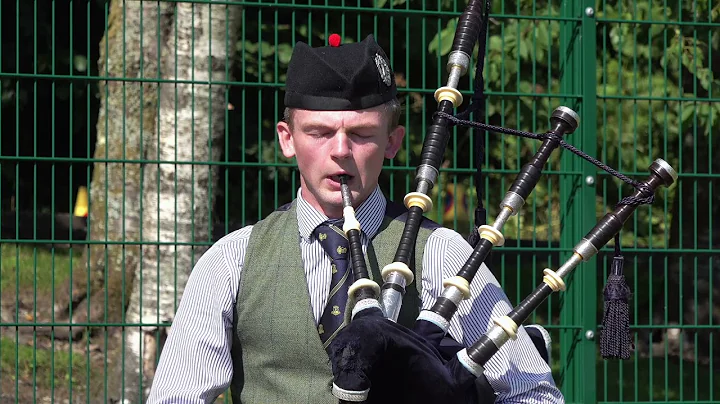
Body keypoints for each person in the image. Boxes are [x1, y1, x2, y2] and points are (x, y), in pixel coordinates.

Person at [146, 34, 563, 403]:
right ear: (287, 139)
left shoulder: (441, 254)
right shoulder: (231, 260)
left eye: (362, 134)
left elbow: (534, 395)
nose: (341, 150)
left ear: (392, 142)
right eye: (320, 133)